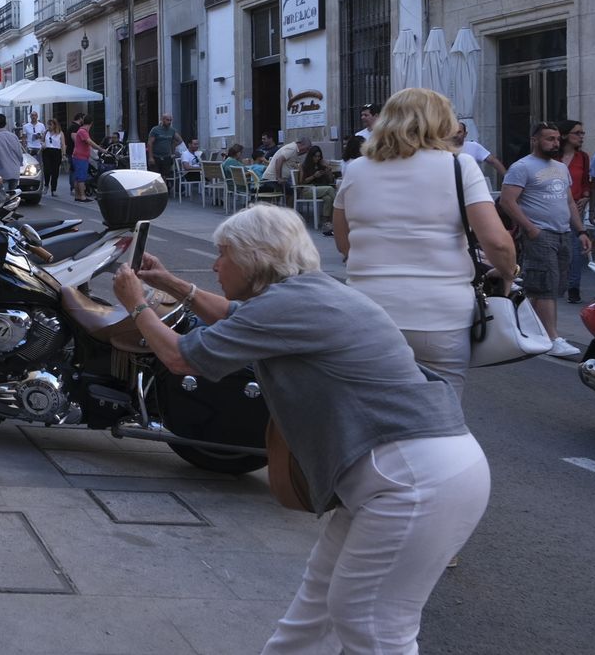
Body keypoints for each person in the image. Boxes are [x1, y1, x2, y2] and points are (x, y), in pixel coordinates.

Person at [112, 206, 489, 654]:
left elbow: (179, 357)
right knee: (318, 607)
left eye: (223, 254)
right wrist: (169, 284)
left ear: (255, 258)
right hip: (411, 472)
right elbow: (233, 316)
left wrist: (137, 303)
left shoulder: (291, 303)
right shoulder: (304, 295)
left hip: (412, 478)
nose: (215, 265)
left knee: (370, 624)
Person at [335, 89, 520, 396]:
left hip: (368, 312)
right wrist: (508, 272)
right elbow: (497, 243)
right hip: (439, 317)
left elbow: (344, 244)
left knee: (374, 410)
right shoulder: (459, 166)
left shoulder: (356, 170)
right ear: (441, 122)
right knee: (441, 413)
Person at [501, 122, 593, 357]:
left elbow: (569, 202)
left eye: (556, 139)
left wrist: (581, 231)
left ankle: (523, 327)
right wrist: (531, 229)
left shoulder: (560, 167)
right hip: (540, 234)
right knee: (546, 287)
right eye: (549, 139)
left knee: (552, 286)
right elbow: (507, 201)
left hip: (563, 233)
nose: (555, 143)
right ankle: (552, 338)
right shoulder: (522, 167)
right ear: (535, 140)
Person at [559, 120, 589, 303]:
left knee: (576, 248)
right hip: (554, 207)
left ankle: (573, 287)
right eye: (577, 133)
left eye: (582, 133)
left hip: (575, 206)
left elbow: (586, 180)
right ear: (565, 135)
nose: (581, 136)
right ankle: (557, 284)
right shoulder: (553, 157)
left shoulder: (583, 157)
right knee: (559, 248)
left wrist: (586, 196)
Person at [297, 146, 338, 235]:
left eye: (319, 156)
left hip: (320, 189)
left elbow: (330, 181)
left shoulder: (321, 165)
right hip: (308, 190)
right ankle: (340, 212)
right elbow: (301, 182)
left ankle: (326, 224)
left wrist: (328, 171)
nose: (317, 158)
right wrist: (314, 176)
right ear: (311, 156)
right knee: (330, 189)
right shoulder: (304, 166)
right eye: (315, 156)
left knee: (328, 198)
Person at [0, 113, 24, 193]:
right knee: (12, 197)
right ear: (5, 123)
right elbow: (20, 153)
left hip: (2, 173)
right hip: (15, 171)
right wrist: (20, 163)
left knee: (2, 197)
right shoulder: (13, 136)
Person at [147, 114, 179, 180]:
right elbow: (150, 143)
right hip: (156, 156)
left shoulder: (172, 130)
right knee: (155, 176)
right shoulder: (155, 129)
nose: (169, 122)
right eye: (167, 120)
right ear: (162, 120)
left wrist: (173, 151)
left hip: (166, 156)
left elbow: (179, 140)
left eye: (170, 120)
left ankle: (164, 189)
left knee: (165, 176)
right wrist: (150, 157)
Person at [71, 114, 94, 202]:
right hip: (81, 157)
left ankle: (77, 196)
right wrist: (100, 149)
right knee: (81, 178)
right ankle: (82, 196)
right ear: (91, 123)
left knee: (78, 177)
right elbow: (90, 142)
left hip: (79, 156)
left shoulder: (81, 130)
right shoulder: (83, 131)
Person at [42, 118, 65, 197]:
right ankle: (46, 185)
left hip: (56, 152)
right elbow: (42, 141)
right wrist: (43, 144)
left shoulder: (60, 133)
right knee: (47, 169)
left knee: (55, 171)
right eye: (48, 124)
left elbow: (63, 144)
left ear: (55, 125)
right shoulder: (46, 132)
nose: (49, 126)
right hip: (47, 151)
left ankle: (53, 189)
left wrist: (63, 154)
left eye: (50, 125)